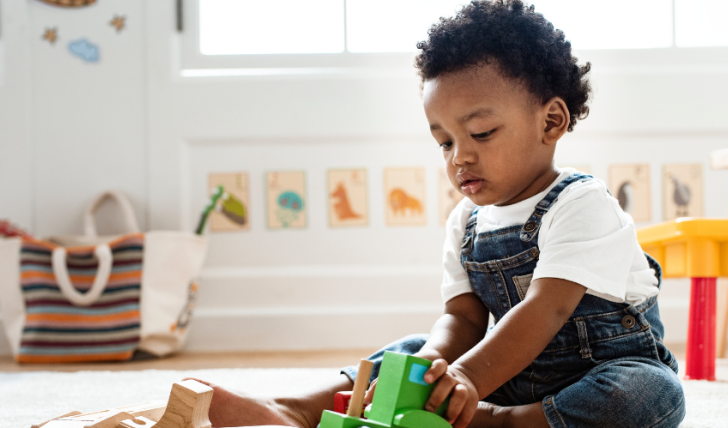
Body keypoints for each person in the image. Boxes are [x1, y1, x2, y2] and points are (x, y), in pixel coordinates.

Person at [193, 1, 686, 427]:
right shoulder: (466, 223)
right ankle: (300, 409)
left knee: (645, 397)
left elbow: (547, 308)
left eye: (482, 133)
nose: (459, 157)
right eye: (445, 142)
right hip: (506, 374)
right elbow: (463, 318)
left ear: (551, 121)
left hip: (595, 374)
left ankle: (498, 423)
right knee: (411, 349)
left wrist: (469, 377)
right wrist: (434, 365)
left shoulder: (581, 204)